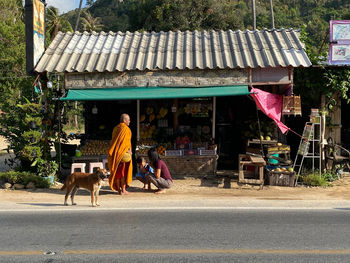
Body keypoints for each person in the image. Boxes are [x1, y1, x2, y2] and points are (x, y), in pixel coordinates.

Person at [108, 113, 133, 195]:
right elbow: (125, 144)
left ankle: (119, 190)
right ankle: (123, 190)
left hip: (116, 155)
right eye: (128, 119)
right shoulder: (126, 129)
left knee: (117, 173)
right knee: (122, 174)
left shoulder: (116, 128)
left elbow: (115, 142)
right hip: (123, 155)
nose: (129, 121)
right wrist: (128, 151)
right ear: (124, 120)